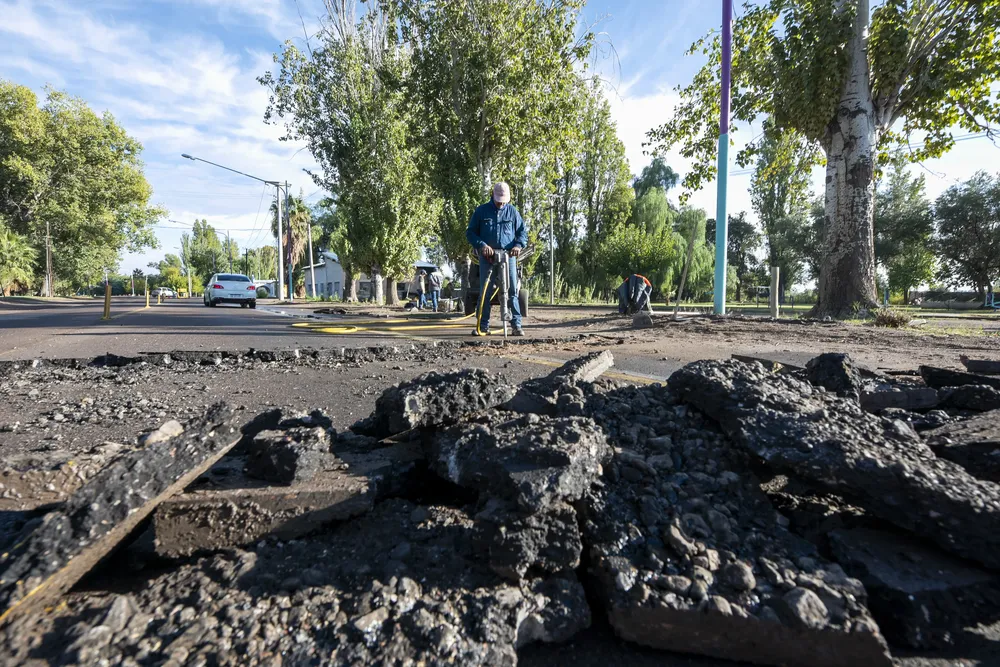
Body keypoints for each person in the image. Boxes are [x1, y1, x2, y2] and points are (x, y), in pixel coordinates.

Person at [466, 182, 527, 336]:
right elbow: (471, 232)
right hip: (488, 257)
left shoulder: (513, 212)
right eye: (499, 200)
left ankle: (516, 325)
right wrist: (482, 245)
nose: (501, 204)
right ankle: (483, 325)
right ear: (493, 195)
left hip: (508, 256)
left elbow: (522, 232)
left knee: (512, 290)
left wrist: (518, 246)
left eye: (503, 201)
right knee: (485, 291)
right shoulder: (481, 211)